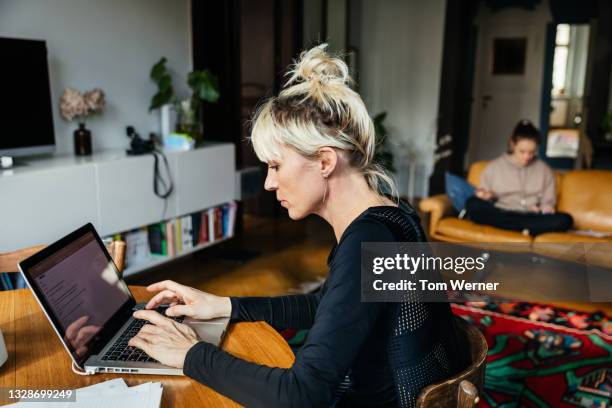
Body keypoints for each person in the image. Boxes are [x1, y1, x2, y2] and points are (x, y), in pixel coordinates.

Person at [128, 44, 467, 407]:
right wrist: (224, 305)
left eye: (275, 166)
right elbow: (327, 306)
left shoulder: (366, 244)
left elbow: (302, 396)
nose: (268, 183)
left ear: (324, 161)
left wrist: (190, 354)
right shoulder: (392, 214)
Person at [465, 120, 573, 236]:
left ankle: (513, 227)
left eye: (531, 152)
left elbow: (548, 202)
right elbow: (483, 196)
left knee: (566, 220)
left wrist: (544, 208)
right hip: (502, 213)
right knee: (473, 204)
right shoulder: (494, 167)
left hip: (531, 216)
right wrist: (486, 196)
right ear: (513, 144)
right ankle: (523, 229)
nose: (527, 157)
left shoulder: (545, 170)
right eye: (522, 151)